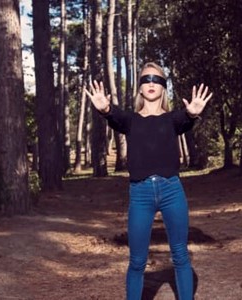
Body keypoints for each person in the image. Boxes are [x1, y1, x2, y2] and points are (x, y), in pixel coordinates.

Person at [85, 62, 212, 300]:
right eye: (146, 79)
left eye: (156, 79)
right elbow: (115, 116)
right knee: (136, 262)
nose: (151, 83)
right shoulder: (131, 120)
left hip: (172, 191)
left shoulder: (172, 119)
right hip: (140, 195)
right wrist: (104, 109)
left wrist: (193, 113)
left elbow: (185, 119)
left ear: (164, 87)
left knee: (181, 256)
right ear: (140, 88)